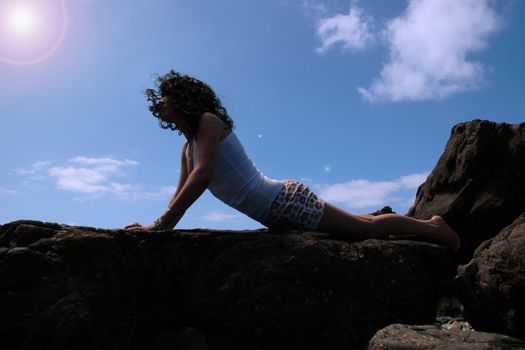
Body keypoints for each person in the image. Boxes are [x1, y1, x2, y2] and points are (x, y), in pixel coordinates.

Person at [124, 71, 460, 251]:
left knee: (365, 230)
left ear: (183, 98)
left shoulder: (208, 123)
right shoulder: (188, 146)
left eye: (168, 94)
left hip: (284, 202)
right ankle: (409, 225)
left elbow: (203, 176)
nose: (162, 100)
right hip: (277, 210)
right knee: (364, 225)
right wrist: (161, 224)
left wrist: (163, 223)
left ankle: (433, 227)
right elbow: (182, 189)